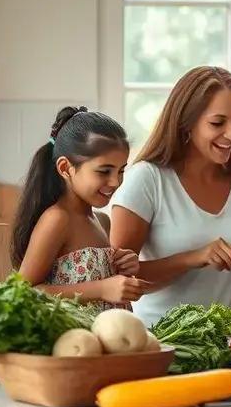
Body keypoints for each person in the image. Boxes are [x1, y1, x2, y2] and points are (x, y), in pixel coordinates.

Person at [110, 66, 231, 326]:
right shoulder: (147, 179)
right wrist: (193, 258)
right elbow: (118, 280)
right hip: (164, 345)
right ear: (186, 123)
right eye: (217, 122)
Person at [12, 106, 145, 311]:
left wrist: (124, 267)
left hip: (106, 340)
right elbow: (23, 293)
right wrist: (101, 289)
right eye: (104, 171)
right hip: (72, 342)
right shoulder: (57, 219)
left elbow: (97, 281)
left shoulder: (102, 221)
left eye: (120, 171)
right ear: (66, 168)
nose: (115, 182)